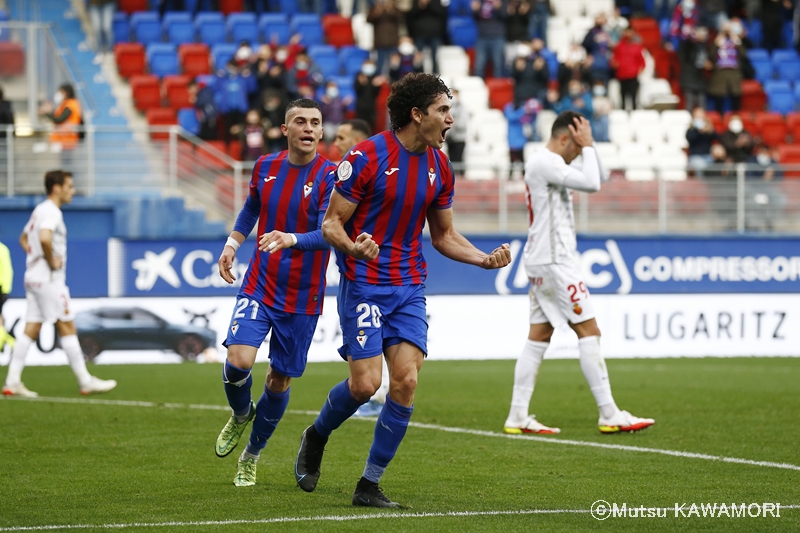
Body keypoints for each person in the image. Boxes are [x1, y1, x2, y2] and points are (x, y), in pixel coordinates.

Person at [293, 73, 512, 508]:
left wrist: (483, 259)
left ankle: (369, 485)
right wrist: (356, 248)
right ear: (417, 114)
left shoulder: (440, 166)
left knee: (406, 383)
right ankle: (316, 435)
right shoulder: (367, 156)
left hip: (409, 286)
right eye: (443, 110)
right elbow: (330, 224)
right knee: (365, 385)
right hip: (364, 285)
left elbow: (445, 235)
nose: (451, 119)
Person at [503, 111, 654, 435]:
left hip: (543, 258)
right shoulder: (544, 161)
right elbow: (592, 183)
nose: (577, 154)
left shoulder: (548, 162)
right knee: (589, 330)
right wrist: (587, 146)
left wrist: (589, 144)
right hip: (556, 260)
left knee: (538, 336)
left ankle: (517, 415)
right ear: (563, 139)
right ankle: (609, 413)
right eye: (576, 146)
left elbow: (597, 174)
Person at [214, 99, 337, 487]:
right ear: (285, 130)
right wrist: (232, 244)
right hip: (261, 284)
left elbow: (329, 233)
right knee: (238, 362)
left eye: (315, 122)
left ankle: (251, 455)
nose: (308, 127)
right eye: (300, 121)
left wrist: (291, 238)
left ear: (321, 131)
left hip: (303, 297)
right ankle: (239, 413)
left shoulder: (332, 176)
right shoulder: (265, 166)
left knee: (279, 382)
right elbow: (252, 206)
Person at [2, 170, 117, 398]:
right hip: (48, 280)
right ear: (57, 188)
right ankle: (85, 381)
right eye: (69, 186)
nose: (72, 191)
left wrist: (34, 258)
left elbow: (24, 239)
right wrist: (49, 259)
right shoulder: (52, 212)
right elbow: (45, 237)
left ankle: (12, 381)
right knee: (66, 325)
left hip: (32, 278)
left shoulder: (39, 210)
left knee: (31, 328)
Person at [39, 84, 82, 172]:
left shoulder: (70, 104)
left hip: (68, 139)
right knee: (64, 164)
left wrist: (47, 113)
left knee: (66, 165)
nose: (59, 94)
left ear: (67, 92)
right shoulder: (66, 104)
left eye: (61, 92)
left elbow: (60, 119)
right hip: (64, 140)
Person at [611, 27, 645, 111]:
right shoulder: (619, 46)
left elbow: (641, 61)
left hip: (633, 75)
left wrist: (639, 70)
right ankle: (622, 112)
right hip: (622, 75)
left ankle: (634, 112)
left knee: (633, 95)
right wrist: (615, 64)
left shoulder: (637, 47)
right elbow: (614, 59)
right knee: (623, 95)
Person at [89, 0, 116, 64]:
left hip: (108, 4)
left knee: (107, 27)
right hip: (94, 5)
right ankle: (100, 52)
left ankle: (110, 51)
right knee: (97, 29)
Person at [0, 238, 13, 352]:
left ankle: (12, 343)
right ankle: (12, 343)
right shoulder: (3, 248)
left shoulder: (2, 249)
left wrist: (4, 289)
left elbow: (7, 270)